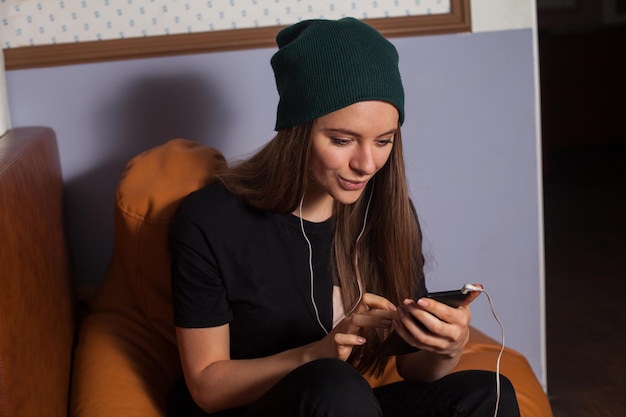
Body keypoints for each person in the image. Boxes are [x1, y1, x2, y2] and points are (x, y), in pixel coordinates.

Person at [167, 17, 521, 417]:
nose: (366, 164)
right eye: (341, 140)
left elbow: (413, 369)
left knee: (487, 393)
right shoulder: (211, 220)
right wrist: (315, 355)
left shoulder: (386, 211)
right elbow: (206, 388)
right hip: (262, 408)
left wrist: (446, 348)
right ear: (298, 130)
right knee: (335, 383)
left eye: (384, 141)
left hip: (345, 406)